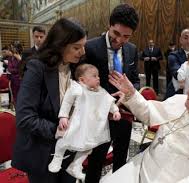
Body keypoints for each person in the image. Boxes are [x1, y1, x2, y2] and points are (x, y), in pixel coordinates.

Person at [11, 18, 86, 183]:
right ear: (60, 44)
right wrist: (60, 131)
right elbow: (25, 118)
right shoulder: (37, 68)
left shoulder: (75, 68)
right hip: (42, 152)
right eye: (76, 47)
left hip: (69, 152)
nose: (82, 52)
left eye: (83, 46)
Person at [84, 3, 140, 183]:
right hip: (99, 116)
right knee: (96, 160)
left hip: (124, 113)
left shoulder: (131, 49)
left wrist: (129, 93)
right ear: (109, 25)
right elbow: (82, 84)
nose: (120, 40)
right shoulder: (90, 47)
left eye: (126, 36)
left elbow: (135, 80)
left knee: (121, 157)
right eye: (116, 34)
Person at [48, 64, 121, 181]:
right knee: (65, 140)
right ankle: (57, 158)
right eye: (94, 76)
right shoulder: (77, 87)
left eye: (98, 76)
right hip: (77, 123)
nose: (98, 78)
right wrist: (63, 116)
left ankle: (76, 165)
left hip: (92, 126)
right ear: (82, 79)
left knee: (89, 147)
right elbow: (67, 102)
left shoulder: (100, 90)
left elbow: (109, 101)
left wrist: (115, 111)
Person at [165, 28, 189, 99]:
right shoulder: (173, 55)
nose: (188, 41)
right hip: (176, 94)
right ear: (180, 40)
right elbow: (178, 74)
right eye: (185, 38)